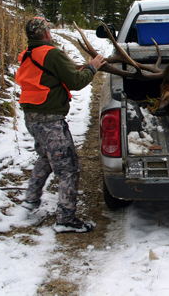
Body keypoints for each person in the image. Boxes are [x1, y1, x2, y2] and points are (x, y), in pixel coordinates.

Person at [16, 17, 106, 233]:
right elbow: (76, 82)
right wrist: (93, 68)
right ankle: (65, 219)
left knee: (46, 158)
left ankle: (30, 200)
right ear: (47, 33)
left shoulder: (28, 54)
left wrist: (78, 67)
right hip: (50, 122)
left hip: (32, 118)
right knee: (69, 168)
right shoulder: (51, 53)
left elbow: (51, 75)